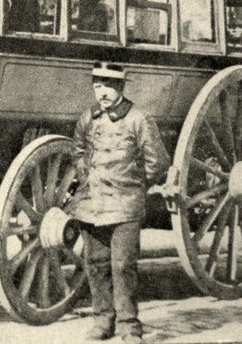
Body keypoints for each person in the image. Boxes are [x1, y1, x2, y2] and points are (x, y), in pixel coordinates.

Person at [71, 62, 171, 343]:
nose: (102, 93)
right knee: (96, 264)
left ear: (121, 87)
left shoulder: (138, 119)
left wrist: (134, 184)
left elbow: (158, 162)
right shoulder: (87, 118)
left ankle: (129, 326)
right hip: (92, 205)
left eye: (109, 86)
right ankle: (102, 321)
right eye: (97, 86)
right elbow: (77, 150)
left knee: (123, 266)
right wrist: (86, 174)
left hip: (125, 205)